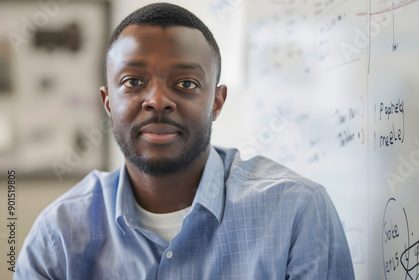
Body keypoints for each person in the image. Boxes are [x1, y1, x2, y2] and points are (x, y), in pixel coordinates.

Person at [15, 3, 354, 279]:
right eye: (134, 81)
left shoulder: (296, 211)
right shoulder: (57, 234)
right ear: (107, 102)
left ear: (217, 102)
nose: (158, 100)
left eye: (187, 83)